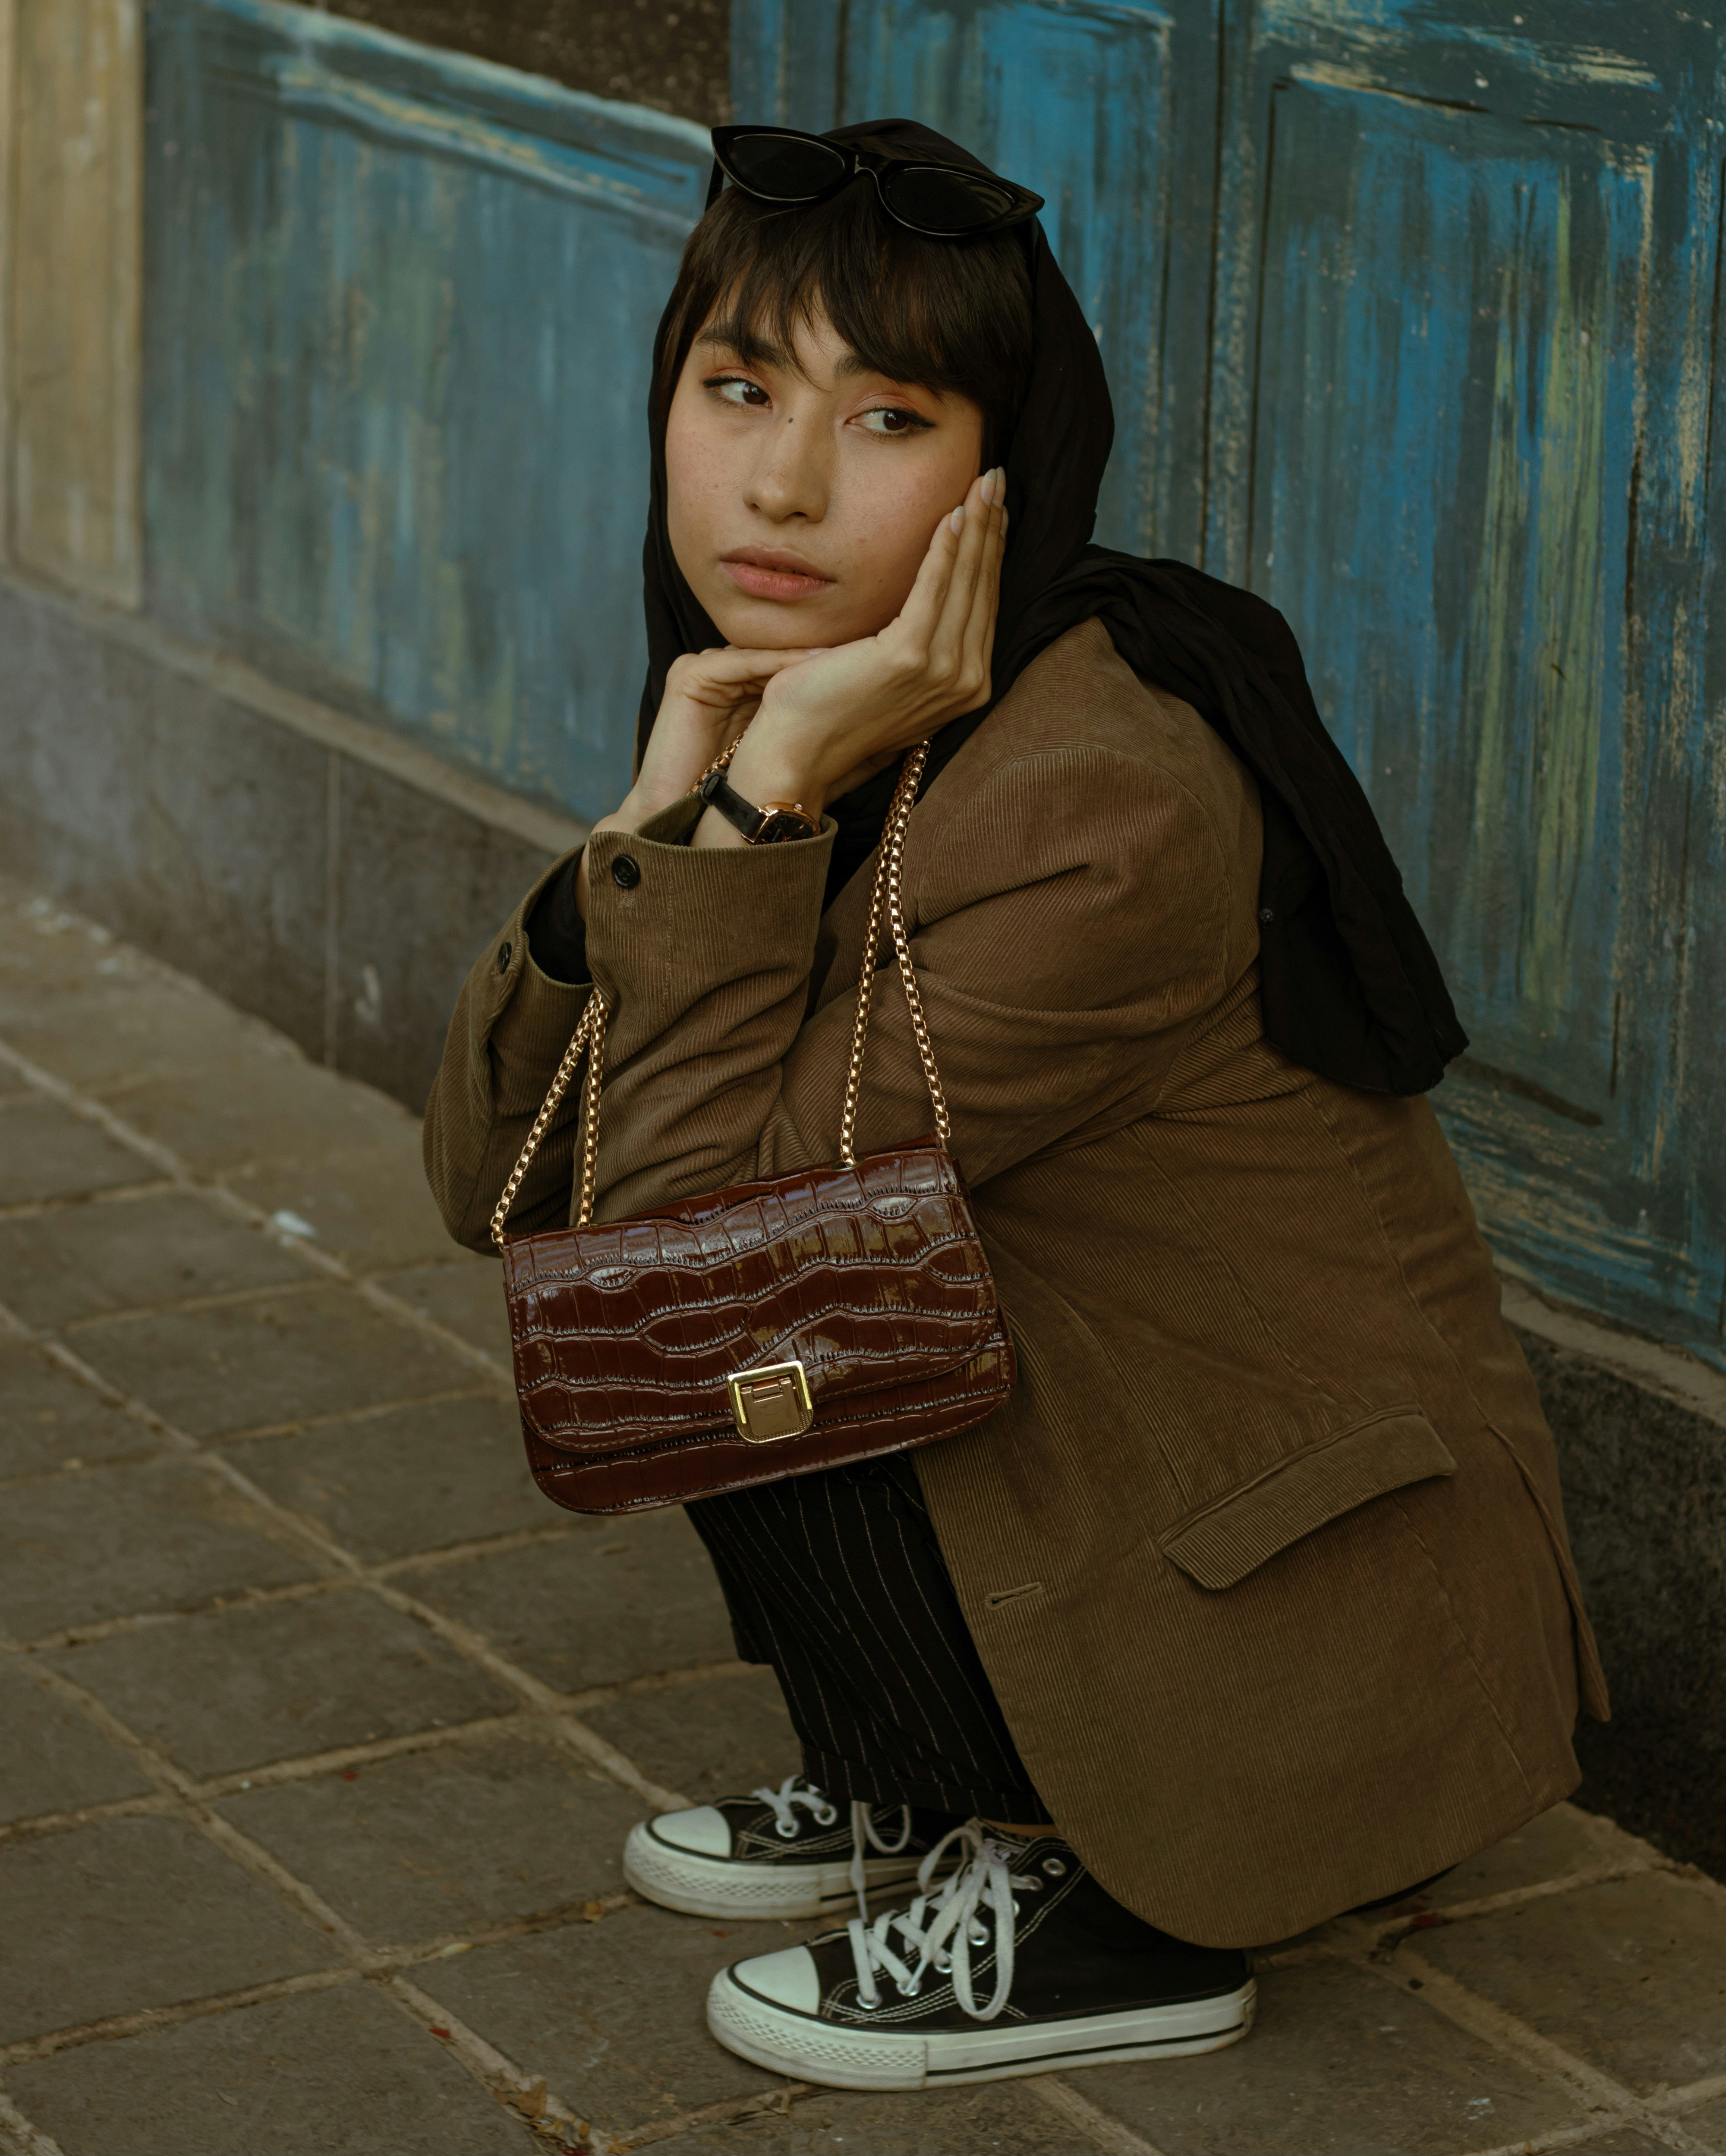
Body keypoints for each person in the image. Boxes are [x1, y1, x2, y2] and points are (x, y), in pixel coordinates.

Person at [423, 118, 1607, 2094]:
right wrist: (656, 820)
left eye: (889, 418)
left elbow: (694, 1258)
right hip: (1126, 1473)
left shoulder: (1093, 792)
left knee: (747, 1329)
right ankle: (926, 1777)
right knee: (734, 1341)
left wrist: (763, 795)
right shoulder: (842, 703)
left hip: (1294, 1602)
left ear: (1005, 468)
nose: (781, 482)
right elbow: (506, 1188)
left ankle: (1115, 1895)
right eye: (736, 390)